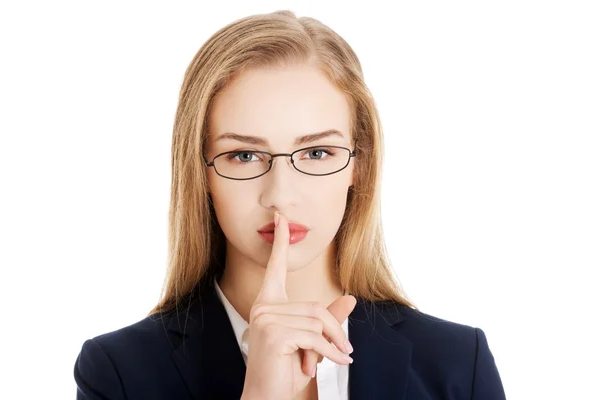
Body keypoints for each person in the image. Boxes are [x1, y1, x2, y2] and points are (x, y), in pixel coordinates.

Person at [73, 9, 506, 400]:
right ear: (199, 172)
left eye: (317, 153)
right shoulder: (120, 374)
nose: (280, 195)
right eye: (243, 156)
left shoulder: (456, 365)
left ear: (360, 164)